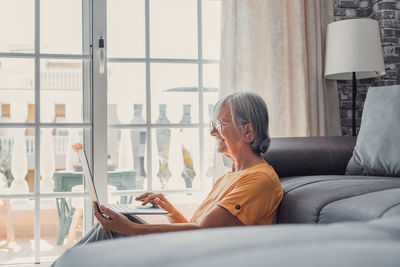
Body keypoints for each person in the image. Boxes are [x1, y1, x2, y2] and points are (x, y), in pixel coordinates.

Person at [75, 91, 283, 244]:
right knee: (113, 225)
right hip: (192, 252)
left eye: (219, 125)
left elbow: (202, 233)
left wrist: (130, 228)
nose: (212, 132)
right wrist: (170, 209)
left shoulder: (259, 180)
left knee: (113, 230)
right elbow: (197, 229)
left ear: (247, 131)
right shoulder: (230, 177)